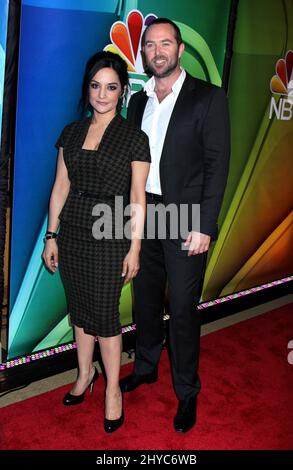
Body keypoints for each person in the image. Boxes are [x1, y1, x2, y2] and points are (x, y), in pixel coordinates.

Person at [120, 18, 230, 433]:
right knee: (145, 297)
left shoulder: (208, 98)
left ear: (180, 50)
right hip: (143, 213)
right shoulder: (137, 101)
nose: (158, 51)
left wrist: (204, 224)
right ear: (144, 53)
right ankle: (146, 366)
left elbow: (218, 165)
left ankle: (187, 391)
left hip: (186, 219)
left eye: (166, 43)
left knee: (182, 308)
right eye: (150, 45)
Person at [43, 51, 151, 433]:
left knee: (105, 318)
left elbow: (138, 198)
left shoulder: (134, 137)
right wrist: (51, 236)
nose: (102, 94)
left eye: (111, 87)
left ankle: (112, 391)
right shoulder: (71, 132)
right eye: (95, 85)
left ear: (123, 91)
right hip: (71, 233)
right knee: (80, 312)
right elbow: (60, 188)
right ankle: (84, 374)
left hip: (110, 234)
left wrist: (135, 247)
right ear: (87, 88)